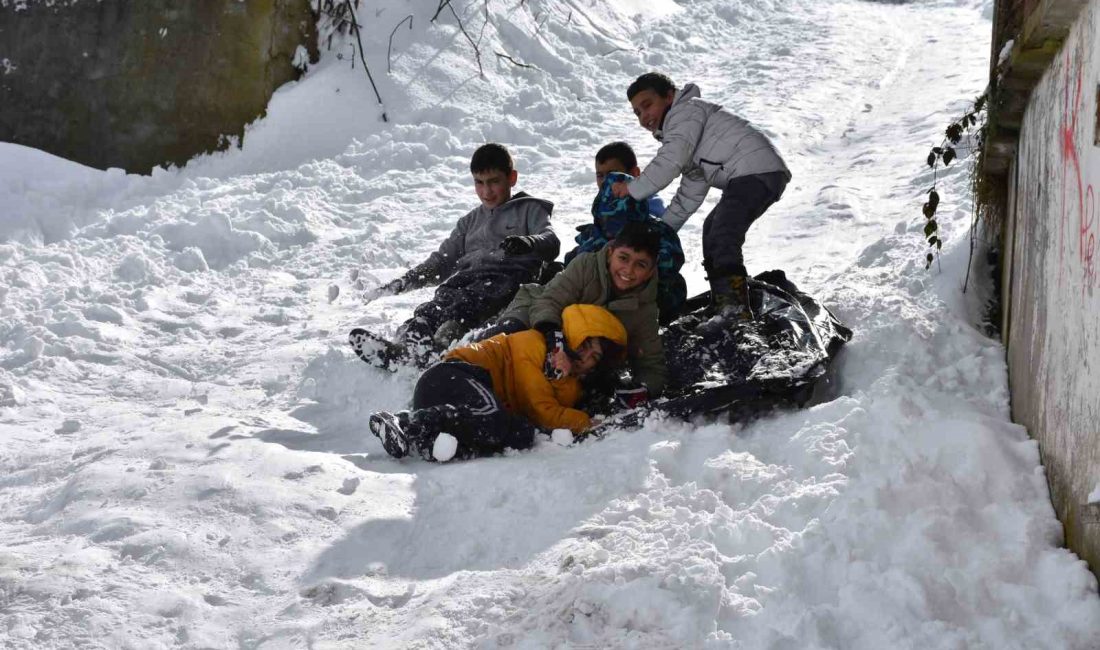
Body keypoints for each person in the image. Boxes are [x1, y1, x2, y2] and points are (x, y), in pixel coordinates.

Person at [354, 143, 560, 368]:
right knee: (435, 306)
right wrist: (404, 281)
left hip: (505, 279)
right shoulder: (469, 222)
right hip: (466, 279)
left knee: (467, 304)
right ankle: (405, 346)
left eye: (494, 182)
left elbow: (551, 241)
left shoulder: (529, 209)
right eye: (479, 183)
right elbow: (442, 261)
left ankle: (441, 346)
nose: (486, 192)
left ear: (512, 178)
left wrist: (528, 243)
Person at [611, 72, 791, 320]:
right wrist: (662, 230)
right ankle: (723, 300)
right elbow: (689, 194)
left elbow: (670, 162)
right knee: (711, 228)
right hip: (754, 174)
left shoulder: (685, 114)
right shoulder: (688, 138)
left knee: (724, 231)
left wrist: (631, 189)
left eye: (647, 105)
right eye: (637, 113)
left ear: (669, 96)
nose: (644, 117)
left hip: (756, 170)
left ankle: (735, 308)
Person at [368, 304, 628, 461]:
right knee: (495, 418)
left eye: (595, 357)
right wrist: (588, 423)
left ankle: (439, 447)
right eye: (585, 346)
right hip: (451, 377)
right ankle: (403, 423)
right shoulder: (534, 343)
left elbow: (541, 415)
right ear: (572, 336)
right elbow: (542, 410)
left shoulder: (570, 384)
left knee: (521, 433)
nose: (586, 358)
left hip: (469, 407)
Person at [485, 221, 668, 408]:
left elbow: (651, 365)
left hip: (580, 351)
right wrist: (555, 341)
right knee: (507, 343)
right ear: (611, 253)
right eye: (623, 258)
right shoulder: (586, 266)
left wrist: (643, 390)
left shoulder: (645, 308)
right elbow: (549, 302)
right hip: (538, 313)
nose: (628, 270)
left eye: (640, 264)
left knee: (583, 390)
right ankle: (469, 365)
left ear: (651, 270)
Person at [594, 141, 666, 218]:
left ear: (634, 173)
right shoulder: (603, 203)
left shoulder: (649, 203)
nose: (605, 181)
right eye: (600, 175)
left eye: (613, 175)